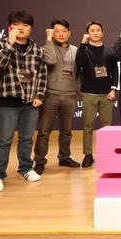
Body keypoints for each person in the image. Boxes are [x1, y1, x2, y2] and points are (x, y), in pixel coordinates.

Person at [0, 10, 47, 193]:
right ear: (10, 27)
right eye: (16, 24)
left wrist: (39, 95)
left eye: (25, 25)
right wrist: (10, 43)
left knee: (27, 139)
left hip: (30, 102)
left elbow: (42, 74)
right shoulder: (0, 45)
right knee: (4, 140)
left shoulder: (37, 49)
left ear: (31, 28)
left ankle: (25, 169)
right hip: (8, 101)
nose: (21, 28)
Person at [32, 19, 81, 175]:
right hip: (50, 95)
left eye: (64, 31)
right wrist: (48, 39)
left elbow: (80, 72)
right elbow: (50, 60)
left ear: (69, 33)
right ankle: (40, 161)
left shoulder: (76, 50)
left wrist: (77, 91)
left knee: (66, 131)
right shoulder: (47, 48)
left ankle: (64, 157)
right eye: (56, 31)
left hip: (70, 95)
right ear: (52, 33)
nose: (60, 34)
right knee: (44, 131)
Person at [75, 20, 118, 168]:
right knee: (88, 125)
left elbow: (115, 70)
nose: (95, 32)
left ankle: (107, 153)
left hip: (107, 94)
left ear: (102, 33)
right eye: (92, 30)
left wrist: (113, 88)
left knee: (106, 126)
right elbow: (79, 62)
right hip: (88, 93)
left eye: (98, 30)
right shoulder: (84, 49)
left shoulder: (109, 50)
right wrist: (82, 43)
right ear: (88, 33)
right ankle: (88, 155)